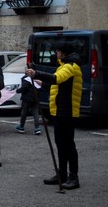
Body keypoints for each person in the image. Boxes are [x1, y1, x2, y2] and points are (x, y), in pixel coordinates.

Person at [25, 42, 82, 190]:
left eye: (57, 51)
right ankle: (62, 174)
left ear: (62, 53)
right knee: (60, 144)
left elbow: (57, 79)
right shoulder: (63, 67)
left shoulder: (71, 67)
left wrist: (35, 73)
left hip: (67, 111)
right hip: (59, 110)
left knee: (68, 145)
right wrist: (42, 83)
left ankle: (74, 177)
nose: (56, 54)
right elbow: (57, 84)